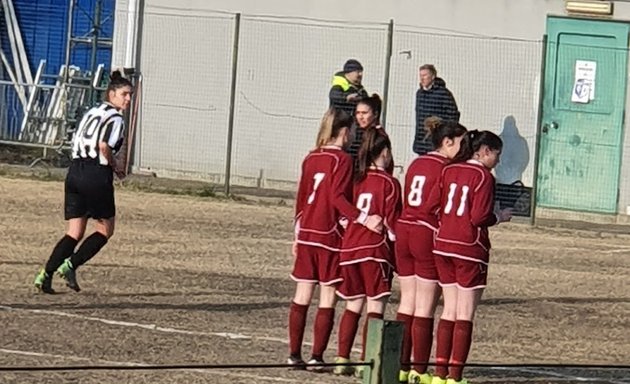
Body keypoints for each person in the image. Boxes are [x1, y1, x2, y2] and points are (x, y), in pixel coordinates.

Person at [288, 108, 383, 369]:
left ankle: (294, 354)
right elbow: (338, 199)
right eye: (352, 130)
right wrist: (365, 219)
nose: (354, 134)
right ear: (344, 132)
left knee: (303, 293)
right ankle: (317, 357)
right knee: (327, 296)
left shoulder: (311, 157)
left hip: (307, 232)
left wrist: (296, 236)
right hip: (328, 234)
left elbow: (301, 199)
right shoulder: (341, 160)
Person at [34, 70, 132, 294]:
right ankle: (70, 265)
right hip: (95, 173)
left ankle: (45, 274)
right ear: (112, 94)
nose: (127, 99)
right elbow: (104, 146)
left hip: (75, 172)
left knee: (74, 231)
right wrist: (116, 167)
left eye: (130, 95)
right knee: (105, 229)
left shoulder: (93, 111)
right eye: (124, 94)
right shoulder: (116, 118)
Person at [431, 130, 512, 384]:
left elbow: (437, 205)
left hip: (443, 244)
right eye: (497, 154)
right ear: (485, 151)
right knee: (464, 313)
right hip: (468, 246)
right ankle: (455, 376)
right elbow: (478, 217)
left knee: (448, 311)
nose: (498, 161)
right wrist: (499, 217)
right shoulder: (483, 177)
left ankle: (439, 374)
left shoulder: (449, 170)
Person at [395, 117, 467, 384]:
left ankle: (400, 365)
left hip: (404, 228)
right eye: (462, 144)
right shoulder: (447, 168)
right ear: (447, 143)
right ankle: (419, 370)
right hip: (426, 231)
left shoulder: (416, 162)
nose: (465, 149)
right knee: (424, 306)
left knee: (407, 302)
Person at [333, 126, 402, 378]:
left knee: (353, 305)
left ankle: (342, 357)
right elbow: (394, 225)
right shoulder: (390, 184)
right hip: (375, 251)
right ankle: (366, 363)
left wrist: (357, 220)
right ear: (384, 152)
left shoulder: (356, 178)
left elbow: (342, 210)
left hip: (350, 249)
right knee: (376, 307)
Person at [414, 64, 460, 156]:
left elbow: (453, 115)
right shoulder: (419, 94)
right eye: (420, 75)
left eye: (425, 75)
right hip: (421, 140)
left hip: (437, 139)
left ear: (433, 77)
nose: (422, 78)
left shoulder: (444, 93)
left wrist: (442, 128)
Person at [349, 94, 393, 174]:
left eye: (364, 113)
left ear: (375, 114)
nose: (360, 117)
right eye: (358, 113)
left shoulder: (379, 136)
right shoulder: (356, 134)